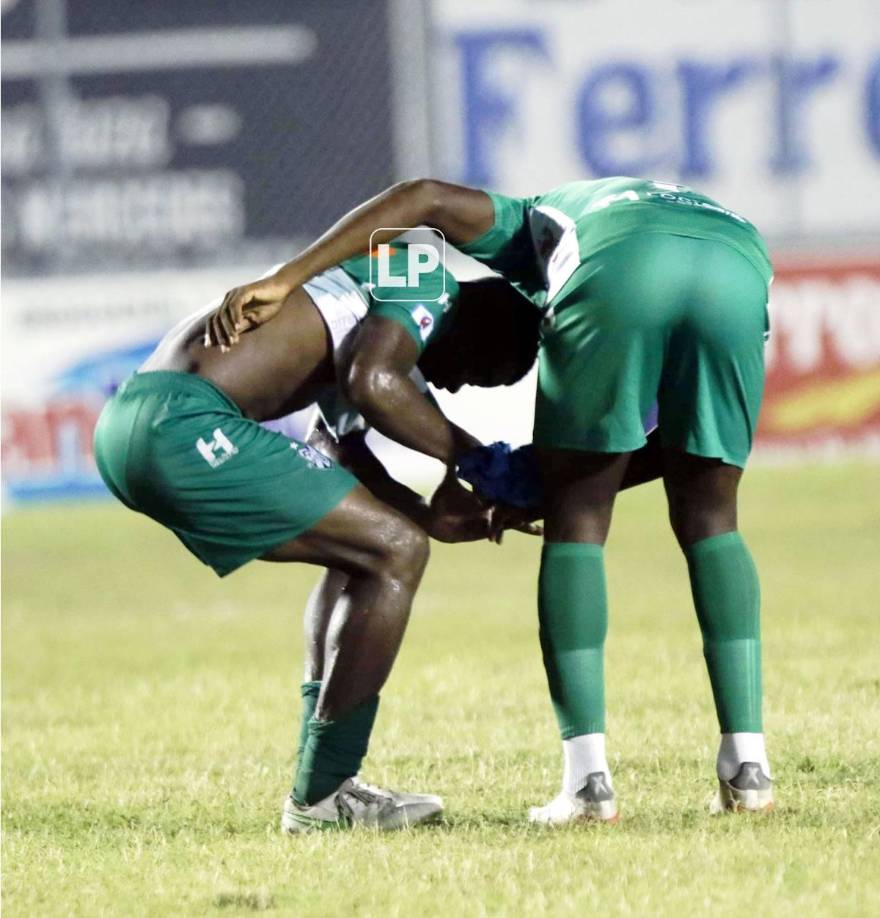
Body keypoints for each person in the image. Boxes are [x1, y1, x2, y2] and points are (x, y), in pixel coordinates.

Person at [207, 176, 775, 823]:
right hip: (740, 261)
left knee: (579, 524)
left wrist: (287, 276)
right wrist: (527, 483)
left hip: (620, 256)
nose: (452, 385)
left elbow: (422, 198)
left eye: (472, 374)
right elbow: (670, 447)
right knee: (712, 516)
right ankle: (748, 769)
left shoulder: (516, 229)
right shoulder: (442, 279)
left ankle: (588, 785)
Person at [93, 247, 542, 833]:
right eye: (469, 372)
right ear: (474, 329)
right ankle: (323, 795)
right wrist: (481, 464)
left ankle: (324, 784)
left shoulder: (365, 308)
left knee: (367, 549)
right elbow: (373, 382)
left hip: (131, 422)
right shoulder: (426, 277)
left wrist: (432, 512)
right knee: (397, 551)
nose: (449, 385)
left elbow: (341, 455)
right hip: (181, 426)